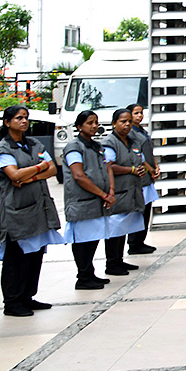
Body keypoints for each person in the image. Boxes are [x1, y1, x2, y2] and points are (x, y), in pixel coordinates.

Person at [0, 104, 64, 317]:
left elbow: (51, 168)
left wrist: (31, 174)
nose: (23, 121)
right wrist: (39, 167)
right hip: (17, 209)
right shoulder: (3, 149)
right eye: (18, 118)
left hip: (39, 207)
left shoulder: (34, 143)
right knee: (17, 257)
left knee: (36, 254)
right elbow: (13, 175)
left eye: (26, 118)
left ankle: (27, 296)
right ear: (7, 122)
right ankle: (12, 302)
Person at [62, 110, 115, 290]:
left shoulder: (97, 146)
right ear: (79, 126)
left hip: (97, 201)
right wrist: (102, 194)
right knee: (83, 241)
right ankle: (83, 276)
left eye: (96, 123)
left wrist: (111, 192)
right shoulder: (74, 147)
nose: (94, 126)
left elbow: (107, 169)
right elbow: (79, 175)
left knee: (92, 239)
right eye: (89, 123)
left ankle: (89, 273)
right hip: (82, 201)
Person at [102, 108, 147, 276]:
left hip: (132, 191)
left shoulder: (132, 141)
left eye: (129, 121)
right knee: (115, 229)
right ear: (114, 123)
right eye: (123, 121)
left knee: (124, 228)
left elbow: (139, 160)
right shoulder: (109, 143)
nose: (127, 124)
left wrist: (140, 169)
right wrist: (131, 169)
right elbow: (110, 166)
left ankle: (119, 260)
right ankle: (112, 263)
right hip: (118, 192)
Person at [126, 103, 159, 255]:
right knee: (139, 210)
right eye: (136, 113)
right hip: (141, 176)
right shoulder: (130, 133)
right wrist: (150, 169)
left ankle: (141, 240)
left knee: (146, 210)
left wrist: (156, 166)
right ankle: (134, 242)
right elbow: (138, 154)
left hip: (148, 176)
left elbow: (149, 152)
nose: (139, 116)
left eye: (141, 113)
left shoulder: (142, 131)